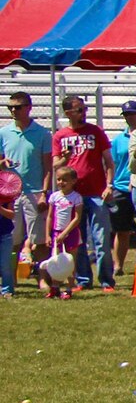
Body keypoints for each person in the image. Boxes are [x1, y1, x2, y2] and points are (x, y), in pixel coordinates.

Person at [52, 94, 115, 290]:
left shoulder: (95, 131)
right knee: (77, 242)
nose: (83, 112)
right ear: (68, 112)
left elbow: (109, 162)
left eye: (84, 108)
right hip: (73, 196)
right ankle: (83, 280)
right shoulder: (60, 136)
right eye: (79, 109)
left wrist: (109, 185)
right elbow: (56, 165)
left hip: (97, 194)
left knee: (101, 240)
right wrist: (66, 158)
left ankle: (106, 280)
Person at [0, 92, 53, 298]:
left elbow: (48, 167)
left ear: (29, 107)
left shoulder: (42, 134)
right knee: (10, 238)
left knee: (38, 239)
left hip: (34, 191)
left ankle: (41, 278)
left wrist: (44, 193)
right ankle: (10, 280)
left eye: (18, 107)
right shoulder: (4, 133)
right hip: (9, 193)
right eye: (10, 107)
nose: (13, 111)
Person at [106, 100, 136, 277]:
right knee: (121, 230)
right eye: (126, 114)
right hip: (121, 187)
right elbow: (113, 163)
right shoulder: (118, 140)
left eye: (133, 113)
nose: (130, 117)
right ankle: (118, 266)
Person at [43, 165, 85, 298]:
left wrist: (65, 233)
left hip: (71, 234)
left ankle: (69, 288)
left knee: (69, 261)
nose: (61, 182)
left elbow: (77, 218)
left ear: (73, 181)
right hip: (56, 233)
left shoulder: (76, 197)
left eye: (64, 180)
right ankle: (55, 287)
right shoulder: (54, 197)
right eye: (59, 179)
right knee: (56, 261)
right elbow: (50, 216)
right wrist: (48, 235)